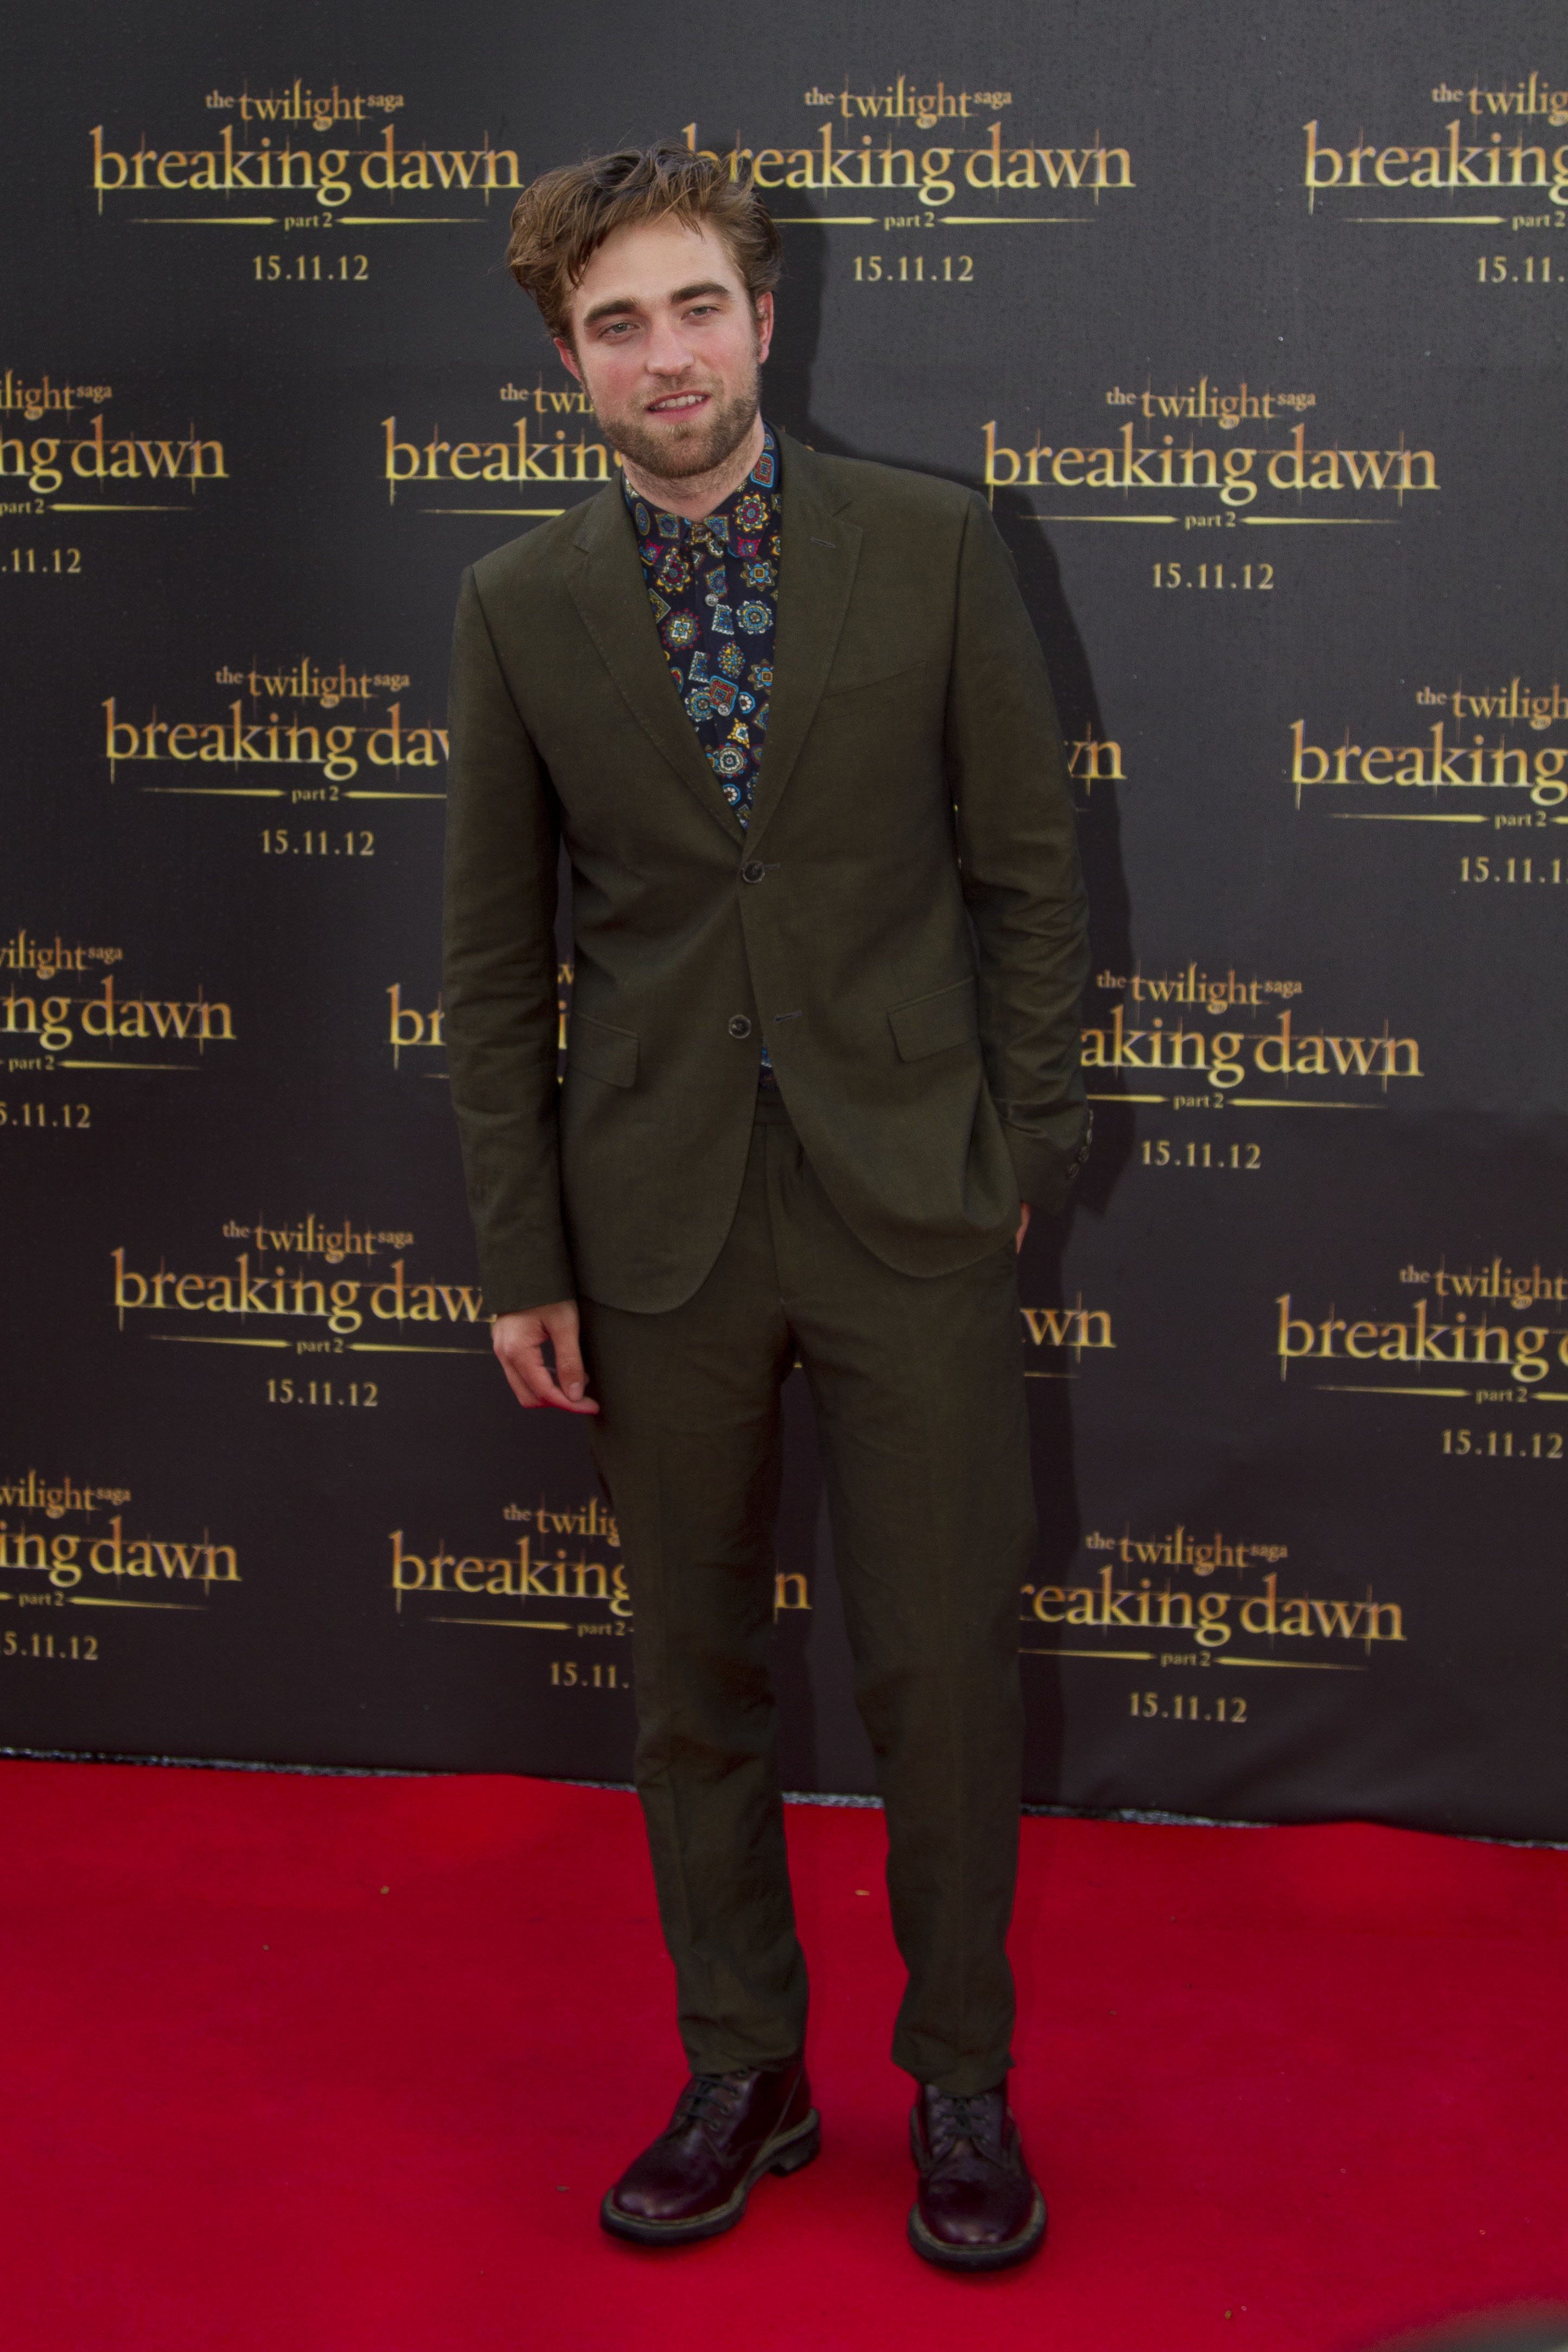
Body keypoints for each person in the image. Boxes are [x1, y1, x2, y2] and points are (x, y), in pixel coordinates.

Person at [442, 142, 1090, 2272]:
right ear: (568, 360)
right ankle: (746, 2065)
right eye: (615, 323)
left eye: (695, 307)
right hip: (655, 1229)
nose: (666, 355)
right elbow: (493, 963)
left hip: (912, 1201)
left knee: (945, 1670)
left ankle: (963, 2077)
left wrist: (1020, 1154)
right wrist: (523, 1252)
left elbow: (1027, 881)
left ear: (765, 317)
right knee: (692, 1675)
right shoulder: (518, 605)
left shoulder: (938, 544)